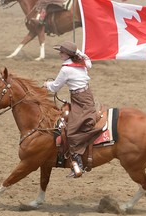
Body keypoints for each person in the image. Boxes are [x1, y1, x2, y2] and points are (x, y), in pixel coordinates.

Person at [43, 41, 103, 178]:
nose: (59, 54)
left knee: (72, 131)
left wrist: (46, 84)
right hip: (85, 95)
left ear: (67, 54)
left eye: (61, 52)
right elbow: (89, 62)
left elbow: (55, 87)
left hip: (80, 100)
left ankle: (77, 162)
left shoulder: (66, 69)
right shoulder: (81, 63)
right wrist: (79, 53)